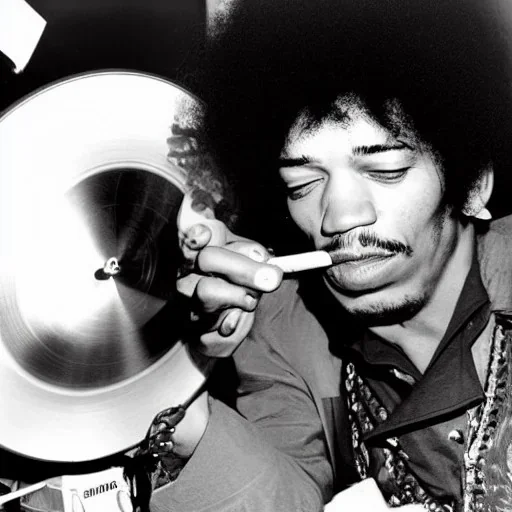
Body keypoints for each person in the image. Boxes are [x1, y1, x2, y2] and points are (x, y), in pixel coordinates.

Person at [151, 0, 512, 510]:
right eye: (302, 183)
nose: (338, 217)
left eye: (385, 170)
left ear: (473, 185)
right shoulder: (283, 331)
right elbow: (282, 494)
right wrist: (169, 381)